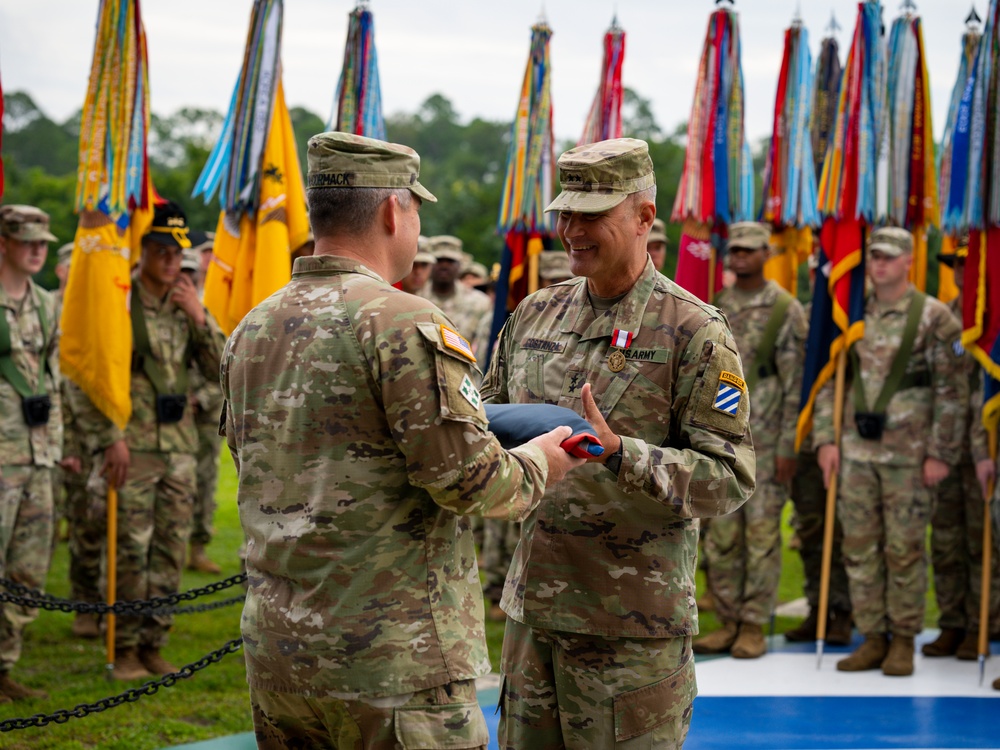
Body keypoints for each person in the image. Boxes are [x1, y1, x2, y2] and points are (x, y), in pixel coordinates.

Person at [221, 131, 584, 750]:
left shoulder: (254, 324)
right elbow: (471, 482)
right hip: (392, 662)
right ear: (394, 211)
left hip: (282, 652)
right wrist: (544, 460)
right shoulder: (404, 321)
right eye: (416, 208)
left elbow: (254, 462)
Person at [482, 137, 755, 748]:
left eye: (592, 214)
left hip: (632, 627)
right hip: (535, 616)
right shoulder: (533, 314)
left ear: (643, 217)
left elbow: (728, 478)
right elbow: (488, 417)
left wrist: (622, 453)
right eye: (565, 214)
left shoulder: (695, 330)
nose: (572, 230)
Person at [72, 200, 225, 680]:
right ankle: (124, 647)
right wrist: (109, 438)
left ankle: (155, 643)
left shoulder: (186, 303)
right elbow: (89, 376)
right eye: (161, 249)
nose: (170, 260)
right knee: (130, 552)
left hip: (178, 449)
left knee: (169, 550)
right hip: (131, 448)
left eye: (176, 251)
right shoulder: (120, 300)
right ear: (143, 249)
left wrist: (199, 318)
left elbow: (220, 369)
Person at [816, 227, 967, 677]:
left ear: (908, 261)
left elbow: (952, 391)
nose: (878, 264)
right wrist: (826, 439)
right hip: (857, 452)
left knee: (903, 551)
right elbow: (830, 382)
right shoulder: (850, 314)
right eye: (874, 256)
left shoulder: (935, 317)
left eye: (888, 257)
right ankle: (873, 637)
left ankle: (903, 638)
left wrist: (941, 451)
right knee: (859, 550)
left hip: (910, 454)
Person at [693, 221, 806, 659]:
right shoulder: (716, 306)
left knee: (760, 537)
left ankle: (755, 623)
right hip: (722, 439)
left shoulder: (785, 308)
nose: (739, 256)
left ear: (765, 254)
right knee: (722, 537)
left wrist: (788, 447)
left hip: (767, 440)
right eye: (734, 250)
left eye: (748, 250)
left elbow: (796, 385)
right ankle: (728, 619)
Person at [923, 239, 1000, 659]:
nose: (960, 272)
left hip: (987, 446)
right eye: (955, 265)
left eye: (970, 266)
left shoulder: (994, 318)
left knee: (982, 540)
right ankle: (952, 622)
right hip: (946, 446)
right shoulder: (943, 316)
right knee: (947, 539)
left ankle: (982, 624)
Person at [0, 204, 63, 700]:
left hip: (38, 457)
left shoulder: (47, 305)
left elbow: (54, 380)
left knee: (28, 569)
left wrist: (58, 447)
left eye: (43, 242)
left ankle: (3, 666)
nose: (38, 250)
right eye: (29, 242)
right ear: (4, 243)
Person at [785, 252, 853, 645]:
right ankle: (818, 607)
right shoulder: (807, 314)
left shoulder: (845, 314)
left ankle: (844, 611)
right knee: (810, 528)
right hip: (803, 438)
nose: (817, 273)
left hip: (843, 442)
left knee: (845, 530)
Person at [179, 248, 225, 575]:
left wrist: (202, 398)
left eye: (189, 274)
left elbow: (224, 366)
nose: (183, 279)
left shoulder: (209, 309)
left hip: (205, 412)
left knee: (205, 481)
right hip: (166, 414)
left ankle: (197, 547)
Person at [420, 235, 493, 355]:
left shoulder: (480, 302)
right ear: (430, 264)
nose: (444, 266)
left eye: (450, 261)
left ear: (460, 265)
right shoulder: (416, 297)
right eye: (439, 261)